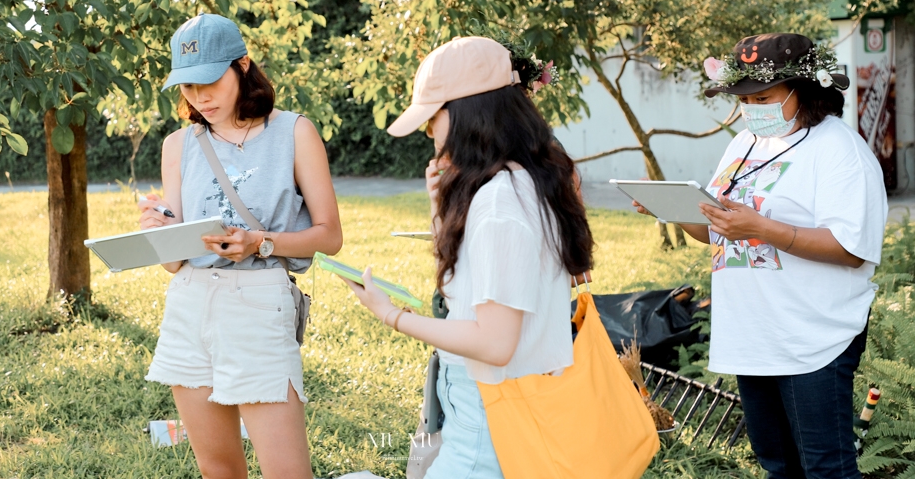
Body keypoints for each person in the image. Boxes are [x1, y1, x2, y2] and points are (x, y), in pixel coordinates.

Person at [636, 33, 887, 479]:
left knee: (826, 469)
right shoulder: (744, 144)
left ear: (803, 90)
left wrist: (763, 229)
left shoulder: (839, 150)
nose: (751, 109)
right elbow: (716, 230)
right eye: (743, 99)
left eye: (763, 97)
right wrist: (671, 210)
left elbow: (852, 249)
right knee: (777, 466)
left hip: (812, 340)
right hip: (752, 335)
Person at [342, 37, 594, 479]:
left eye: (432, 119)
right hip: (510, 411)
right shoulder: (532, 182)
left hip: (489, 421)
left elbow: (495, 344)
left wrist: (390, 315)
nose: (429, 134)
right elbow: (464, 288)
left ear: (464, 115)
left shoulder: (499, 203)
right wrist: (440, 204)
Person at [137, 14, 343, 479]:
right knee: (218, 470)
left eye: (209, 81)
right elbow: (173, 262)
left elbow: (330, 235)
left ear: (242, 65)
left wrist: (259, 243)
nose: (199, 97)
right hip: (189, 306)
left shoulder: (293, 131)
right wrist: (160, 227)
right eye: (187, 87)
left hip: (258, 304)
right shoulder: (178, 145)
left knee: (288, 473)